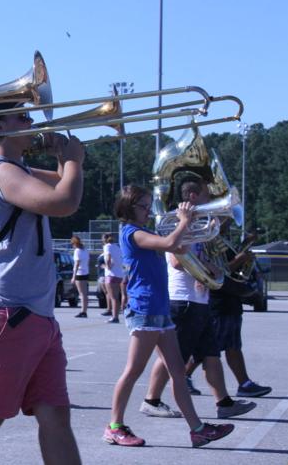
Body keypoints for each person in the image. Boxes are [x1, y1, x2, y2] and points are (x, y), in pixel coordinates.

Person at [0, 104, 84, 465]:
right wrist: (73, 159)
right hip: (9, 311)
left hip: (33, 313)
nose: (33, 122)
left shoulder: (15, 170)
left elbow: (63, 183)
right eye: (23, 118)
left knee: (55, 414)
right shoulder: (1, 172)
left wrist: (66, 161)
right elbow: (64, 201)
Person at [103, 184, 234, 448]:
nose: (149, 210)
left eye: (149, 204)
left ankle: (197, 429)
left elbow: (180, 248)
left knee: (178, 372)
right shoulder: (132, 233)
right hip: (145, 309)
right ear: (130, 208)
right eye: (144, 206)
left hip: (160, 310)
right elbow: (171, 243)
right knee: (133, 371)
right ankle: (114, 426)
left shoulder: (147, 231)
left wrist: (197, 225)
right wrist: (184, 221)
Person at [138, 179, 256, 421]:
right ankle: (151, 400)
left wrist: (212, 269)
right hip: (183, 301)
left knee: (211, 355)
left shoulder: (197, 226)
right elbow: (175, 260)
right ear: (192, 196)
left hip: (199, 301)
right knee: (174, 357)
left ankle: (224, 403)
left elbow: (199, 257)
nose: (212, 202)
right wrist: (203, 270)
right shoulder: (178, 224)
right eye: (206, 196)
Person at [205, 228, 273, 399]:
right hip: (219, 300)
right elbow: (218, 271)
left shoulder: (221, 238)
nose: (228, 220)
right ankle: (184, 376)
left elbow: (229, 258)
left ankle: (245, 384)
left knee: (232, 345)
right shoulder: (208, 239)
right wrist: (241, 259)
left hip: (231, 298)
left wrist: (246, 244)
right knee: (208, 349)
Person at [100, 233, 124, 323]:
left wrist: (106, 266)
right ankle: (116, 316)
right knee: (117, 297)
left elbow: (108, 258)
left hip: (110, 274)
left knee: (112, 297)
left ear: (104, 239)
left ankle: (114, 317)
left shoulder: (107, 247)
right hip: (119, 274)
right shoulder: (117, 247)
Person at [71, 235, 90, 318]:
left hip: (79, 273)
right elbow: (88, 261)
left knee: (82, 294)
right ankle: (84, 310)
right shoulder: (85, 250)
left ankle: (83, 311)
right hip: (85, 272)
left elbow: (77, 264)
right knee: (85, 293)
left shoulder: (77, 251)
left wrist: (73, 276)